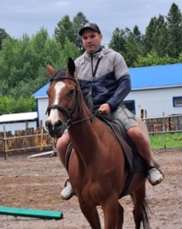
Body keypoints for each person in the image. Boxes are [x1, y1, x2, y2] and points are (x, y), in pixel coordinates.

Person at [57, 23, 164, 200]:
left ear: (100, 37)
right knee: (61, 144)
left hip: (112, 108)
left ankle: (150, 166)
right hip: (87, 113)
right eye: (85, 38)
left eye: (92, 36)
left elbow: (125, 84)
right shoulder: (77, 64)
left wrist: (111, 103)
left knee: (135, 132)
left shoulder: (114, 57)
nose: (89, 41)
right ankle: (72, 179)